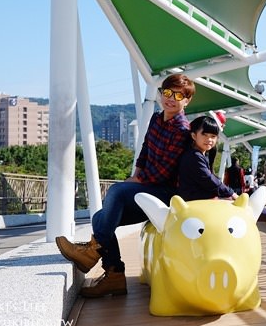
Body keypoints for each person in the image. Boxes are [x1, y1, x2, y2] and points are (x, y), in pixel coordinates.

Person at [55, 73, 195, 298]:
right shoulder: (157, 119)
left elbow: (165, 172)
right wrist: (137, 172)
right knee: (100, 218)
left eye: (178, 95)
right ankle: (114, 276)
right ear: (161, 94)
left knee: (117, 191)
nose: (170, 98)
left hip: (166, 194)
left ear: (186, 101)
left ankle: (93, 253)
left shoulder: (182, 130)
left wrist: (138, 180)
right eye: (167, 92)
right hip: (148, 187)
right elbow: (146, 151)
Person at [178, 115, 266, 234]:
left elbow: (210, 180)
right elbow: (208, 179)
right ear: (194, 136)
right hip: (198, 202)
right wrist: (230, 193)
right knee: (242, 206)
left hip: (199, 200)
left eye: (213, 136)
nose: (209, 140)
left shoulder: (197, 155)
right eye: (205, 135)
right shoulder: (194, 156)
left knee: (241, 205)